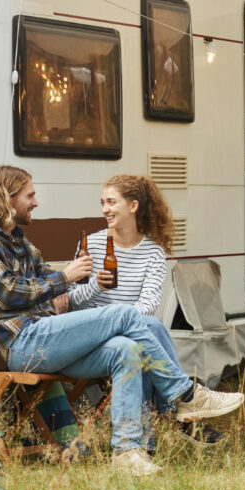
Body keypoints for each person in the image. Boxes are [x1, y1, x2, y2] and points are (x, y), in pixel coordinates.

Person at [0, 165, 244, 476]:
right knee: (126, 315)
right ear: (6, 198)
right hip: (24, 344)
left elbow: (46, 279)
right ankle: (184, 395)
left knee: (127, 349)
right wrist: (65, 279)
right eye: (30, 195)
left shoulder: (18, 240)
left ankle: (129, 452)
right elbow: (8, 293)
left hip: (53, 340)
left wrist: (60, 282)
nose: (36, 202)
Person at [57, 174, 222, 447]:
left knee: (143, 337)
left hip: (131, 334)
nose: (104, 209)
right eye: (102, 203)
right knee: (152, 329)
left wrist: (126, 323)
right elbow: (74, 302)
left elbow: (149, 302)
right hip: (95, 334)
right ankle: (181, 412)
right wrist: (97, 287)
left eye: (111, 202)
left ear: (132, 206)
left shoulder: (153, 252)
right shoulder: (93, 244)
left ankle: (145, 443)